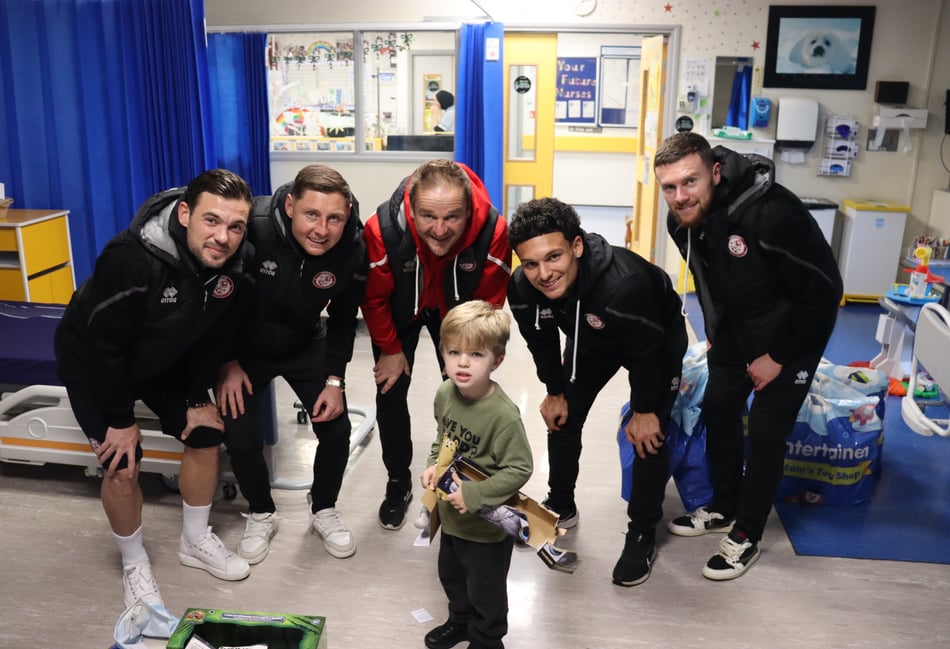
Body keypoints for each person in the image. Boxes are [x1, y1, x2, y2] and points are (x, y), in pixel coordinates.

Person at [54, 169, 256, 612]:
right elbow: (103, 346)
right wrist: (121, 421)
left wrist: (196, 397)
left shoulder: (235, 266)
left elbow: (213, 337)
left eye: (235, 226)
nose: (223, 237)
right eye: (211, 220)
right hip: (95, 363)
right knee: (122, 464)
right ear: (185, 214)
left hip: (163, 358)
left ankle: (195, 539)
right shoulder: (130, 257)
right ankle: (134, 564)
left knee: (206, 433)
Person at [655, 131, 842, 580]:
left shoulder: (773, 214)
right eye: (669, 187)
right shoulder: (681, 221)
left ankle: (747, 534)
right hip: (738, 329)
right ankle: (723, 505)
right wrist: (717, 332)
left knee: (764, 430)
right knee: (719, 409)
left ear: (715, 173)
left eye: (690, 182)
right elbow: (708, 279)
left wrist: (777, 356)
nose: (680, 197)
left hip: (796, 331)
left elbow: (824, 293)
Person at [506, 197, 688, 587]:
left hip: (655, 340)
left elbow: (649, 355)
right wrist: (554, 390)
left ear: (576, 246)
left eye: (553, 256)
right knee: (562, 416)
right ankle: (561, 505)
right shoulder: (522, 288)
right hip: (592, 338)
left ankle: (642, 532)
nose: (543, 273)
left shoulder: (625, 285)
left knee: (647, 437)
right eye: (531, 263)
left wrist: (644, 410)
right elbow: (540, 342)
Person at [216, 164, 368, 563]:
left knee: (336, 429)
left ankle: (323, 508)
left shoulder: (353, 245)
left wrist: (335, 380)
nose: (322, 229)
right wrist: (227, 362)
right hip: (245, 349)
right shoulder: (255, 227)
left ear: (347, 214)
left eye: (334, 217)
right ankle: (262, 512)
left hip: (304, 341)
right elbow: (221, 300)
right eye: (312, 215)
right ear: (289, 206)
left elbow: (343, 319)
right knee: (241, 435)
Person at [362, 159, 511, 530]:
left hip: (460, 312)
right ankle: (398, 483)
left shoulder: (493, 231)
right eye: (428, 217)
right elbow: (374, 299)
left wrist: (463, 357)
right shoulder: (381, 230)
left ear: (469, 211)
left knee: (466, 393)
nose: (440, 230)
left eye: (453, 218)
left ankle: (456, 480)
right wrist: (391, 350)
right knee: (390, 389)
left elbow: (488, 304)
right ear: (411, 209)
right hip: (401, 307)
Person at [419, 300, 532, 649]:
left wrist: (475, 495)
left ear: (496, 360)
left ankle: (486, 639)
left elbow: (520, 468)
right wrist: (434, 464)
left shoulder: (502, 416)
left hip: (485, 528)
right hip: (452, 519)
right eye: (454, 352)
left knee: (487, 591)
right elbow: (444, 437)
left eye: (476, 355)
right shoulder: (445, 393)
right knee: (452, 578)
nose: (463, 363)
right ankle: (460, 623)